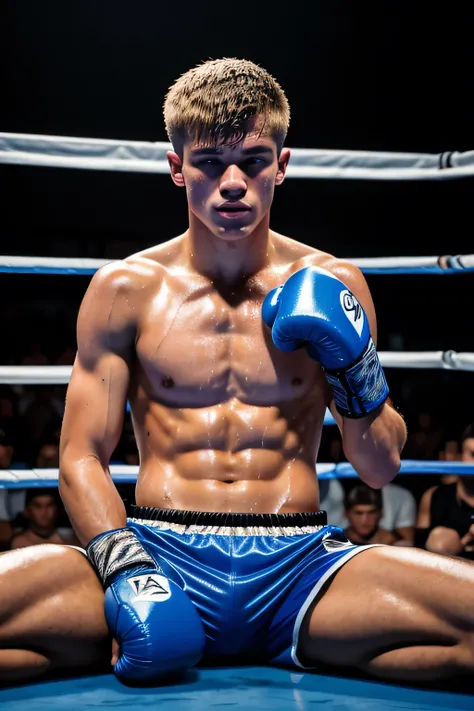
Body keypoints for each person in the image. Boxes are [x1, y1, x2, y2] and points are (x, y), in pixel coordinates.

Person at [2, 57, 474, 687]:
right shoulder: (125, 289)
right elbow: (80, 457)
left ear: (281, 164)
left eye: (253, 160)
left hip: (302, 568)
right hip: (160, 552)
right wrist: (127, 572)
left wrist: (354, 365)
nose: (232, 183)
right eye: (207, 162)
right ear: (177, 168)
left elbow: (378, 467)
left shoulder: (334, 283)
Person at [416, 423, 474, 558]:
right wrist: (462, 541)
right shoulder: (435, 496)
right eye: (473, 454)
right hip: (443, 574)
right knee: (440, 540)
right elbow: (419, 547)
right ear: (459, 457)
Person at [9, 488, 77, 550]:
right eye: (37, 506)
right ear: (27, 511)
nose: (44, 512)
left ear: (57, 509)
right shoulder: (19, 544)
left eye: (49, 505)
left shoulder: (69, 541)